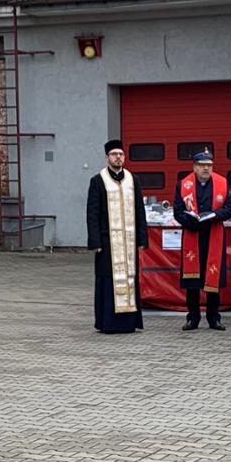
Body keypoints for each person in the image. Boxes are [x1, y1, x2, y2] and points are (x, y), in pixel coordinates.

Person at [86, 139, 147, 334]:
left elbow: (140, 210)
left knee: (129, 279)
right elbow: (92, 213)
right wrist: (94, 241)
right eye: (114, 154)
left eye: (121, 154)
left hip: (128, 243)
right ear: (107, 158)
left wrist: (142, 239)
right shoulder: (98, 180)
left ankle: (129, 322)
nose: (118, 158)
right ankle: (107, 323)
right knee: (107, 281)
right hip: (106, 242)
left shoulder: (132, 179)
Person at [174, 148, 231, 330]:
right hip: (193, 235)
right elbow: (178, 211)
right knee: (193, 282)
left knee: (212, 278)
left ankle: (213, 318)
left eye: (209, 165)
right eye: (202, 165)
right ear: (194, 167)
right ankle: (193, 318)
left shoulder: (222, 184)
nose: (206, 169)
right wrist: (191, 222)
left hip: (213, 234)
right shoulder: (183, 185)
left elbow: (230, 209)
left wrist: (214, 215)